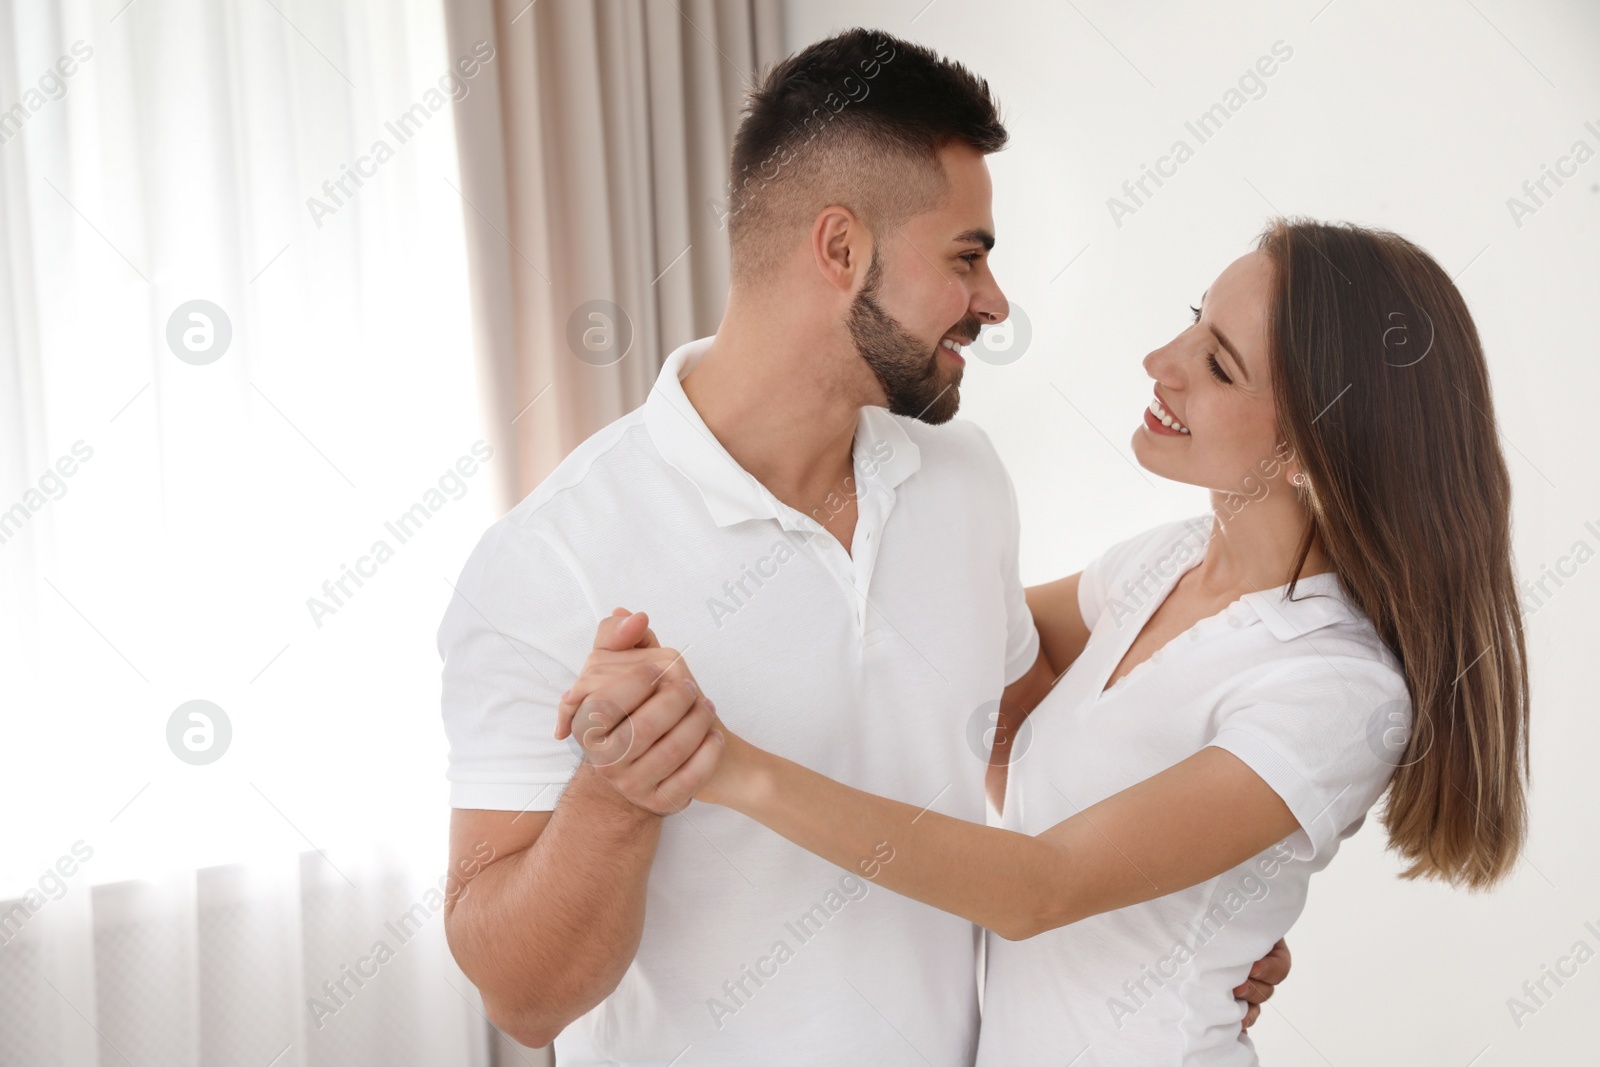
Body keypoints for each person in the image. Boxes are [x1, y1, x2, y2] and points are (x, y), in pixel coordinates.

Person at [437, 27, 1288, 1065]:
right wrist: (614, 793)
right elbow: (522, 998)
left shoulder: (962, 481)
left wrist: (1174, 925)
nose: (994, 302)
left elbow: (1021, 738)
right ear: (840, 250)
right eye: (966, 257)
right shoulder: (551, 558)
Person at [561, 218, 1531, 1064]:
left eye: (1219, 361)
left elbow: (1039, 886)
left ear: (1312, 449)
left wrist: (722, 762)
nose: (1162, 358)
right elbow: (949, 637)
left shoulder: (1334, 687)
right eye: (1195, 317)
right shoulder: (1165, 563)